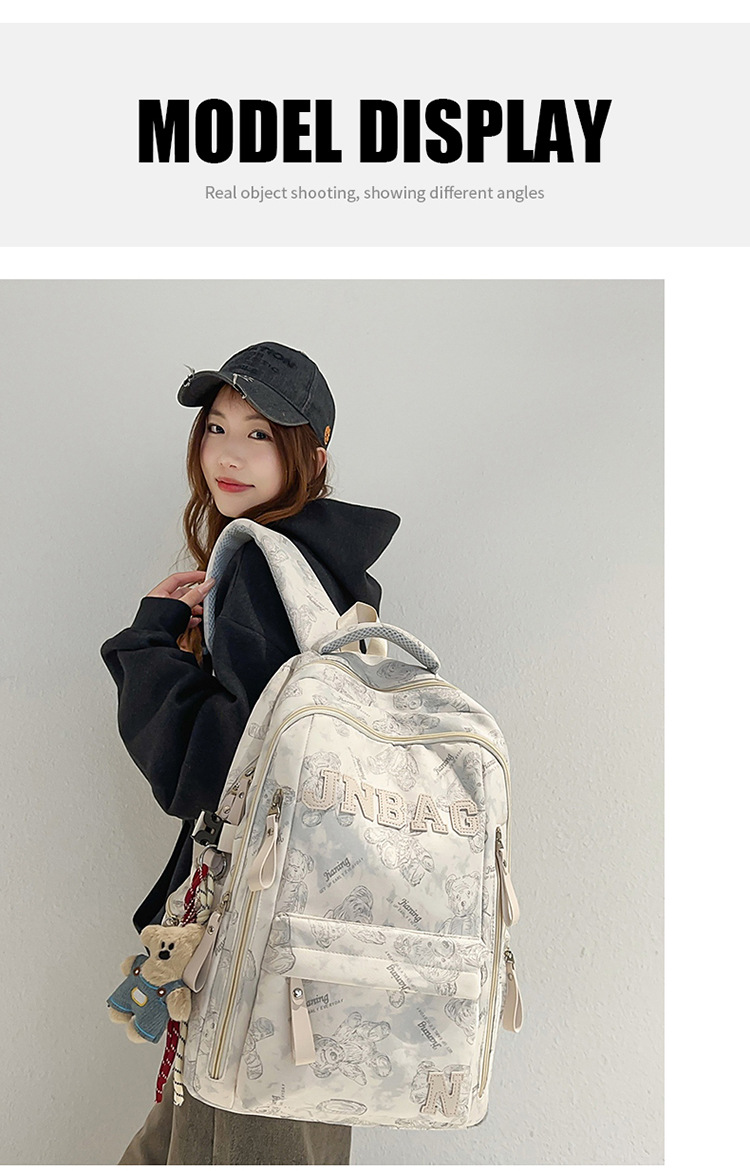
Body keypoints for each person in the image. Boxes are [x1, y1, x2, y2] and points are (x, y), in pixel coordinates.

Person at [100, 341, 401, 1165]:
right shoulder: (338, 582)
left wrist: (149, 644)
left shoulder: (264, 573)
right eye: (216, 427)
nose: (228, 454)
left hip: (256, 929)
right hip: (318, 923)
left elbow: (207, 768)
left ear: (312, 455)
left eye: (260, 434)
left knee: (221, 1138)